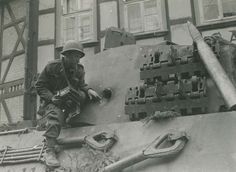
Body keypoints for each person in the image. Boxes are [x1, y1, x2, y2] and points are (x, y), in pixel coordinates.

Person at [35, 40, 101, 167]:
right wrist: (52, 98)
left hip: (69, 101)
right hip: (54, 101)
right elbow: (40, 85)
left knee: (83, 95)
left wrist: (89, 90)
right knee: (55, 119)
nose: (77, 60)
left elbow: (81, 85)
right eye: (74, 56)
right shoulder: (52, 67)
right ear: (66, 55)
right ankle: (50, 151)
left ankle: (69, 117)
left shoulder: (79, 69)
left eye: (78, 56)